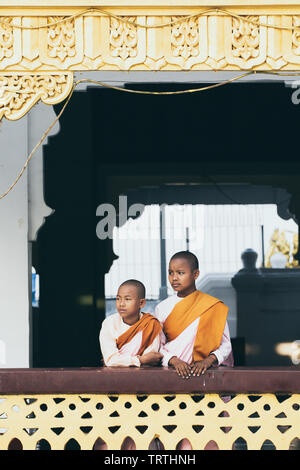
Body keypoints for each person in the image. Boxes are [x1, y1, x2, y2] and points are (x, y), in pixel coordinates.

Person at [155, 251, 233, 379]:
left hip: (203, 374)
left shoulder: (213, 306)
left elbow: (225, 345)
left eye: (180, 273)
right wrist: (174, 361)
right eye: (171, 273)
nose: (174, 278)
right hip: (171, 373)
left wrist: (208, 361)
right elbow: (158, 345)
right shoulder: (162, 307)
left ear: (195, 274)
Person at [99, 279, 162, 367]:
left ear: (141, 303)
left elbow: (151, 359)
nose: (121, 304)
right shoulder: (110, 323)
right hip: (114, 375)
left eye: (127, 299)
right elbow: (110, 360)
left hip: (142, 375)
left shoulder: (151, 324)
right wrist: (140, 360)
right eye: (118, 299)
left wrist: (121, 361)